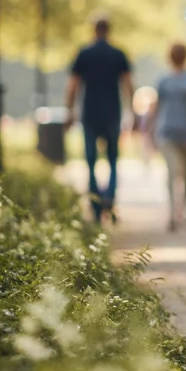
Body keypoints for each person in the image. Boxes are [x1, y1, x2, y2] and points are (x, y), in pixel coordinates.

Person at [65, 16, 133, 222]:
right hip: (112, 113)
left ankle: (95, 203)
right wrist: (132, 111)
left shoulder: (84, 54)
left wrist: (69, 111)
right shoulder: (118, 54)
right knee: (112, 160)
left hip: (90, 114)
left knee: (91, 161)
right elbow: (128, 84)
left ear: (93, 30)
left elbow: (73, 85)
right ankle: (109, 198)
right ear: (108, 30)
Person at [145, 42, 186, 232]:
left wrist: (149, 131)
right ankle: (178, 213)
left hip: (169, 132)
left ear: (169, 57)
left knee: (174, 173)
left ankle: (177, 213)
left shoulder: (164, 80)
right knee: (183, 173)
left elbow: (155, 109)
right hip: (185, 133)